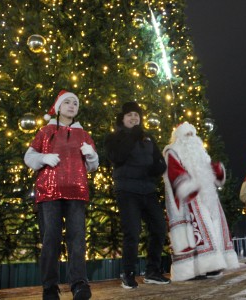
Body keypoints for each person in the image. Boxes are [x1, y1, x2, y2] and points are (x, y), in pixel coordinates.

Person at [24, 90, 98, 300]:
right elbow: (29, 157)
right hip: (49, 192)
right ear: (58, 107)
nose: (72, 105)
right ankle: (50, 287)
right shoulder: (45, 131)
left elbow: (93, 165)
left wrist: (91, 156)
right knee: (51, 239)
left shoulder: (84, 135)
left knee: (77, 239)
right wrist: (44, 157)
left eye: (75, 102)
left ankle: (79, 284)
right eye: (67, 102)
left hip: (76, 191)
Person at [104, 102, 170, 289]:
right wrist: (132, 136)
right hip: (127, 190)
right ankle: (129, 273)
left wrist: (156, 168)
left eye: (137, 116)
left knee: (159, 228)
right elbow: (117, 157)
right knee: (132, 232)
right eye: (130, 115)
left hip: (148, 190)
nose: (134, 118)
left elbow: (159, 161)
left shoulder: (148, 138)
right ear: (122, 118)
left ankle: (152, 271)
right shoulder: (114, 138)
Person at [163, 122, 239, 281]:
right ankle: (192, 271)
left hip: (207, 199)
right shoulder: (172, 151)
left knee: (212, 232)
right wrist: (188, 186)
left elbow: (210, 171)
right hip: (188, 200)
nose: (190, 138)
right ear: (178, 137)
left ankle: (212, 266)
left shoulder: (201, 153)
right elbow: (175, 173)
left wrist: (217, 171)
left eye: (192, 134)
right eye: (186, 134)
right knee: (193, 236)